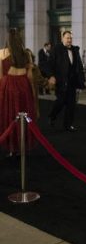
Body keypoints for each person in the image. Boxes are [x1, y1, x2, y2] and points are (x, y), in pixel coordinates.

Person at [0, 28, 37, 156]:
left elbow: (0, 76)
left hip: (9, 87)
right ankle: (23, 145)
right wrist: (32, 91)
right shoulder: (26, 54)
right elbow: (30, 76)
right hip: (24, 86)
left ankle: (12, 148)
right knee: (24, 116)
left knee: (10, 116)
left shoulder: (2, 53)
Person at [46, 31, 86, 132]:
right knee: (61, 101)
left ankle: (68, 125)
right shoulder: (56, 49)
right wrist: (51, 76)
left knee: (71, 104)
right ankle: (52, 115)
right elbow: (49, 65)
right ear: (62, 39)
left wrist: (82, 79)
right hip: (61, 81)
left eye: (70, 38)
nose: (69, 40)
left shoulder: (75, 50)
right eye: (67, 38)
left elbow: (79, 66)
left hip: (72, 81)